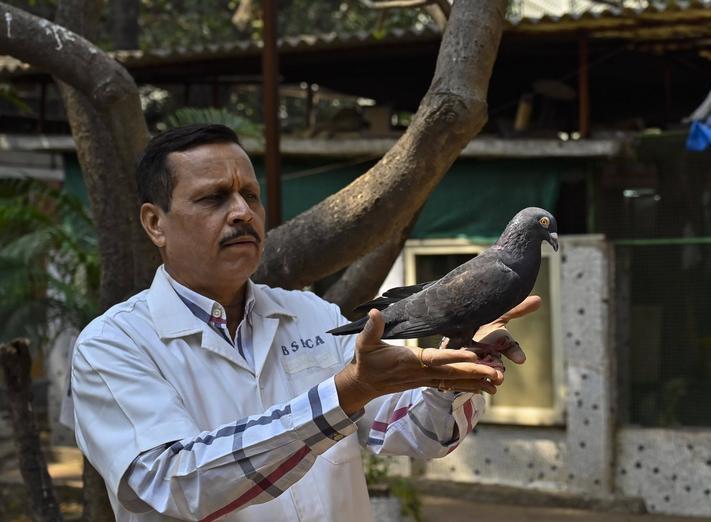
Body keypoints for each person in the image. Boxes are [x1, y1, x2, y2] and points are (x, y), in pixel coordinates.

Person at [69, 124, 539, 521]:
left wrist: (454, 369)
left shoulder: (311, 316)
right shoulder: (113, 346)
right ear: (155, 223)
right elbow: (174, 484)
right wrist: (343, 395)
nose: (242, 212)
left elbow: (416, 433)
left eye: (250, 195)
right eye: (213, 198)